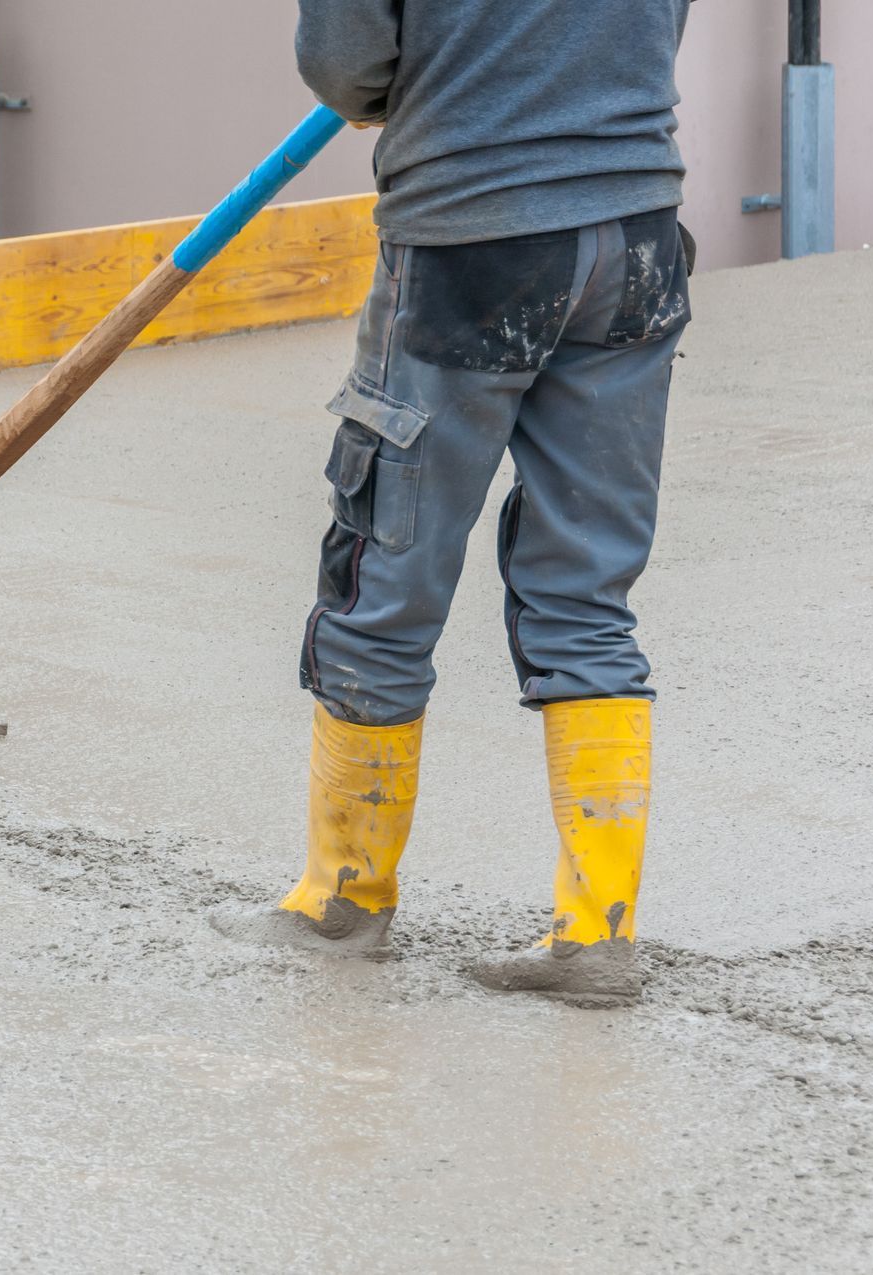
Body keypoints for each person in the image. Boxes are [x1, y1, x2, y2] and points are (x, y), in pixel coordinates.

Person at [214, 0, 696, 1004]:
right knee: (589, 586)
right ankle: (599, 932)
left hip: (471, 241)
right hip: (636, 239)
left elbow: (347, 68)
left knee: (385, 573)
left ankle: (340, 905)